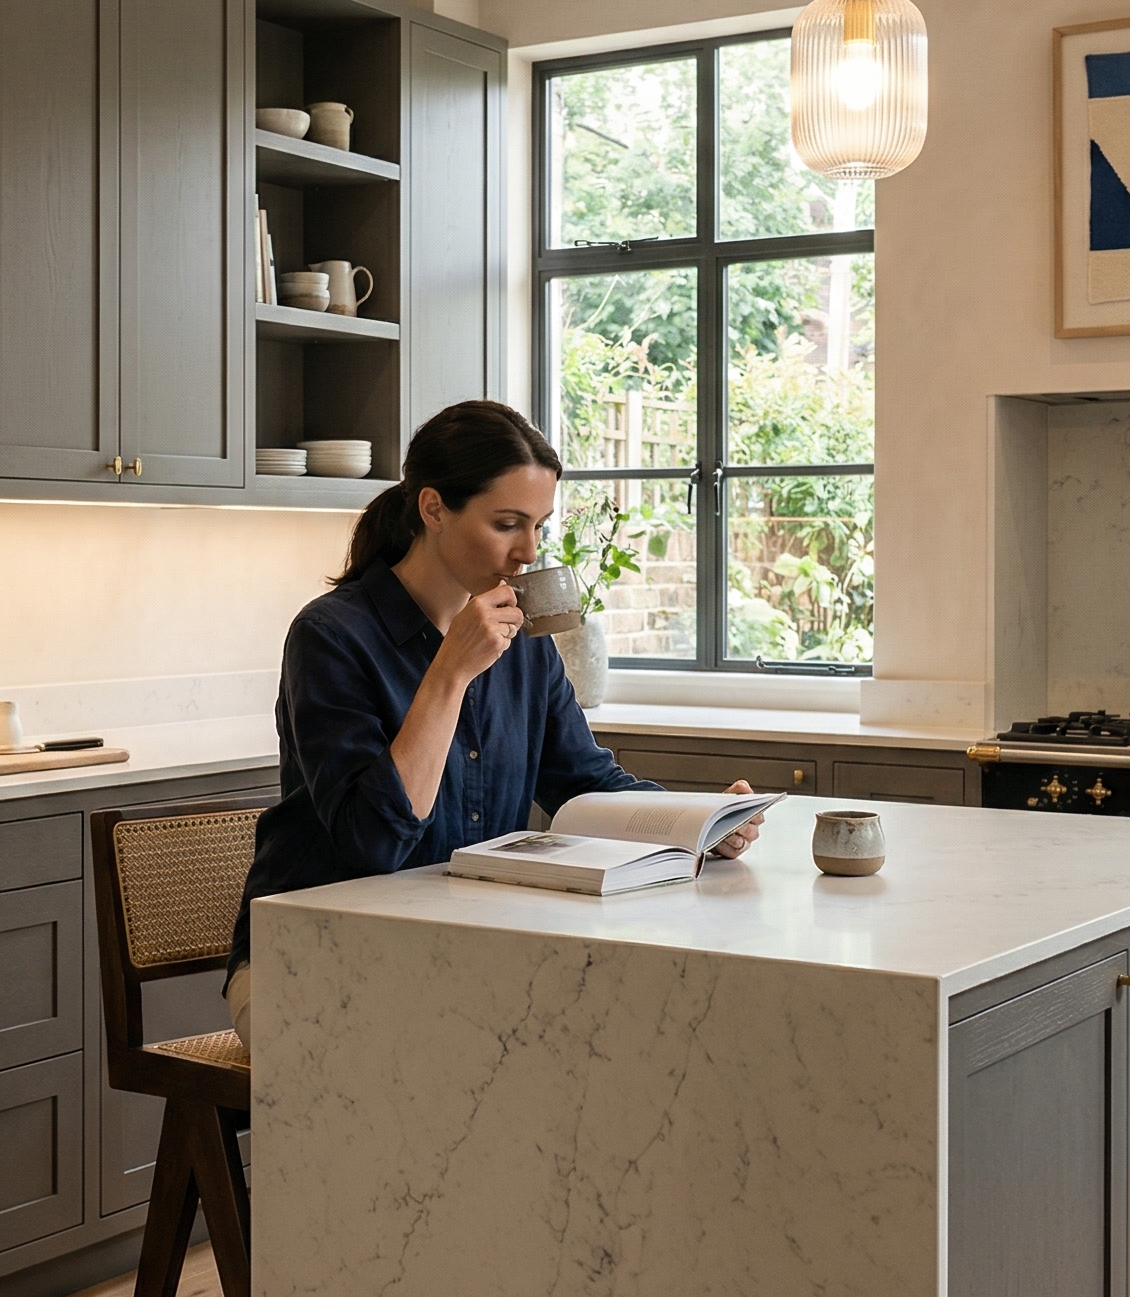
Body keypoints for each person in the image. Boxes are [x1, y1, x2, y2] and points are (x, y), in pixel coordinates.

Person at [224, 399, 762, 1054]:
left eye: (538, 525)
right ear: (432, 509)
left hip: (460, 946)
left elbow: (584, 786)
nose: (528, 551)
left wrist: (699, 826)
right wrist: (449, 674)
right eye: (507, 523)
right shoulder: (332, 635)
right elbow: (374, 841)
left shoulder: (526, 644)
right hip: (313, 951)